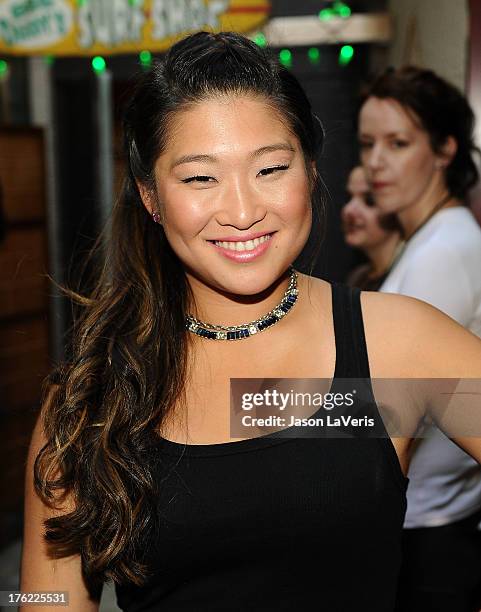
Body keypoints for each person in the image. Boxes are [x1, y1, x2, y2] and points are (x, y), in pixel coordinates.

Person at [20, 34, 481, 612]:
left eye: (270, 168)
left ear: (310, 170)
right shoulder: (92, 395)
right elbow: (44, 596)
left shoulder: (394, 347)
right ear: (150, 196)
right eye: (199, 178)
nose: (242, 211)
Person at [358, 65, 481, 611]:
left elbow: (388, 407)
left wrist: (255, 403)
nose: (376, 162)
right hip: (430, 520)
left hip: (428, 532)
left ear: (446, 149)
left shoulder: (445, 249)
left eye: (398, 143)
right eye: (367, 143)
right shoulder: (429, 238)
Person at [342, 165, 403, 290]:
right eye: (348, 198)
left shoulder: (412, 269)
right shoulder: (358, 278)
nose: (349, 210)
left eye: (369, 200)